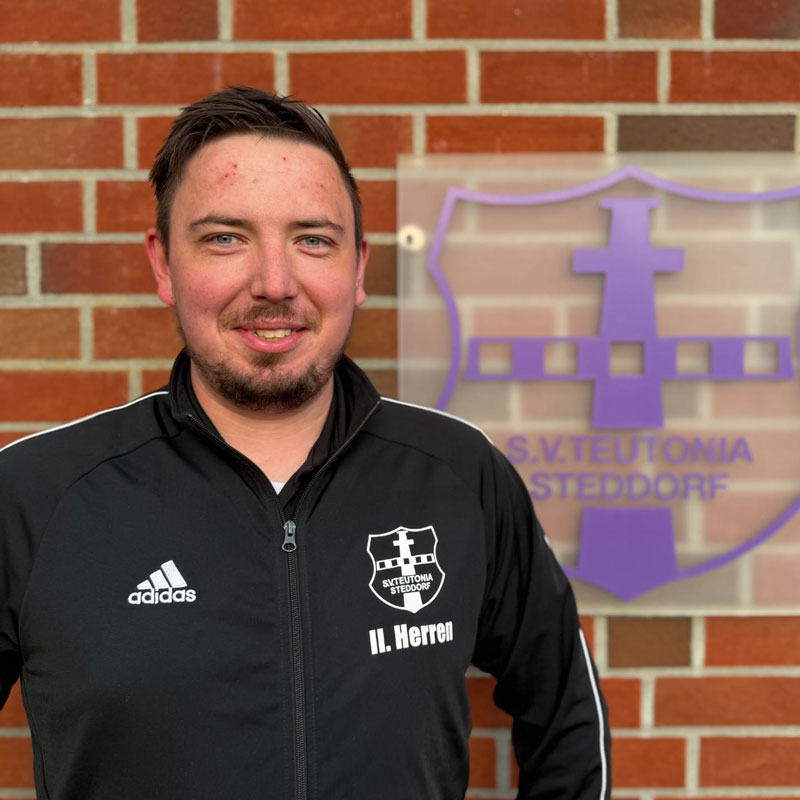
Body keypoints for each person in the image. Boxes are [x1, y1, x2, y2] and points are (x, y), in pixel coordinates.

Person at [0, 87, 609, 799]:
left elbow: (568, 720)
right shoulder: (35, 496)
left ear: (357, 268)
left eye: (313, 240)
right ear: (164, 264)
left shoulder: (458, 475)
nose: (275, 283)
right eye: (225, 238)